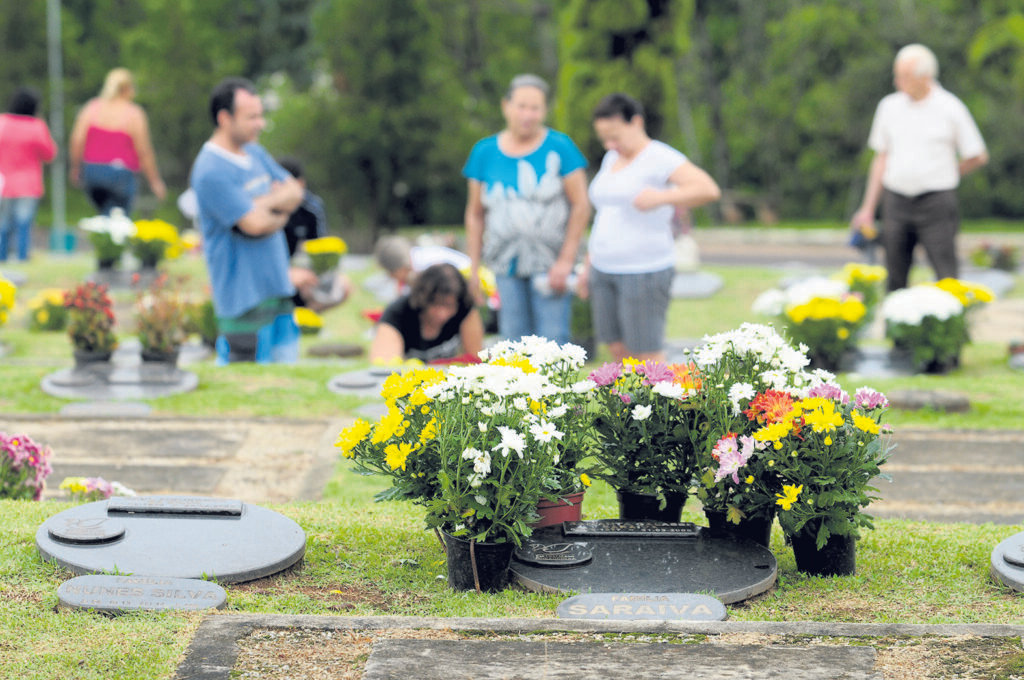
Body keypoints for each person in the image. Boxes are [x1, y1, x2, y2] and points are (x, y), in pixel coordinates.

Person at [579, 93, 720, 362]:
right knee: (616, 346)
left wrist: (662, 197)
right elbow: (606, 215)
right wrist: (589, 263)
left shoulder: (661, 157)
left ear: (636, 122)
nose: (609, 144)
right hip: (604, 268)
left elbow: (708, 189)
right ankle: (626, 403)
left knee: (646, 353)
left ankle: (655, 403)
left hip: (644, 269)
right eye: (604, 138)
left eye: (615, 136)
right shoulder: (612, 158)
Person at [463, 73, 590, 345]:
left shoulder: (561, 147)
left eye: (535, 108)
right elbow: (475, 214)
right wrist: (474, 267)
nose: (528, 115)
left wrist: (566, 260)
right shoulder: (484, 152)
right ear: (505, 106)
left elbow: (580, 205)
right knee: (513, 339)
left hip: (551, 262)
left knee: (554, 342)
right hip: (505, 262)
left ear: (544, 110)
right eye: (522, 106)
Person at [850, 44, 988, 292]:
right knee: (895, 272)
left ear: (925, 77)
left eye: (904, 76)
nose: (897, 82)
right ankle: (896, 328)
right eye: (897, 75)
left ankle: (951, 328)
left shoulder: (950, 107)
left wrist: (950, 171)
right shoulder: (889, 107)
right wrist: (868, 208)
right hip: (896, 200)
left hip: (936, 202)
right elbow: (881, 158)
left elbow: (978, 155)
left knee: (945, 272)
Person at [189, 77, 306, 364]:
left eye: (260, 115)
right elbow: (252, 224)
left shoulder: (254, 151)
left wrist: (262, 207)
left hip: (277, 291)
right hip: (242, 304)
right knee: (245, 387)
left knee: (285, 385)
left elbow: (295, 192)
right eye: (251, 117)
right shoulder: (210, 170)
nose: (260, 123)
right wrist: (277, 210)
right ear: (224, 118)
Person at [69, 68, 166, 216]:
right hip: (121, 175)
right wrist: (155, 181)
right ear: (127, 89)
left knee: (104, 215)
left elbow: (77, 140)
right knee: (119, 221)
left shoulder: (92, 108)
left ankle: (102, 234)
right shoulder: (133, 113)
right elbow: (143, 150)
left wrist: (76, 168)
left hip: (93, 173)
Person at [276, 156, 352, 312]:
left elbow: (319, 249)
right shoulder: (265, 208)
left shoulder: (311, 208)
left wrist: (306, 273)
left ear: (300, 184)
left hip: (299, 270)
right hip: (271, 272)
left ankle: (306, 318)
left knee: (343, 286)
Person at [369, 263, 484, 363]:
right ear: (423, 300)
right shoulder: (397, 313)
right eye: (436, 304)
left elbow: (476, 360)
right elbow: (382, 368)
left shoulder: (465, 308)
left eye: (449, 306)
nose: (442, 313)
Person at [0, 87, 57, 261]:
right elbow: (50, 154)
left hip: (3, 182)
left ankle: (2, 257)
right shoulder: (36, 127)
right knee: (23, 224)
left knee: (3, 224)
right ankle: (21, 256)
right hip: (28, 184)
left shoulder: (2, 122)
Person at [374, 234, 471, 296]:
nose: (392, 278)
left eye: (391, 273)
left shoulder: (425, 267)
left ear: (398, 268)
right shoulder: (415, 257)